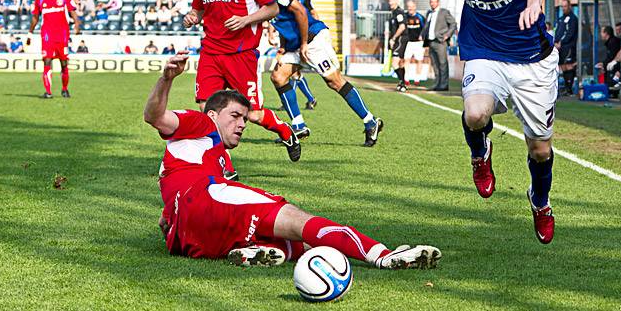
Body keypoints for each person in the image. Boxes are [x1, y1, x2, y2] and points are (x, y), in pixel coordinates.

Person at [344, 0, 558, 244]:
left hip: (531, 61)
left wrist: (534, 1)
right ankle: (480, 154)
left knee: (540, 150)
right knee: (475, 114)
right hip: (484, 51)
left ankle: (540, 202)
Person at [144, 52, 441, 268]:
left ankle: (259, 250)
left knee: (294, 242)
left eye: (245, 119)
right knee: (297, 219)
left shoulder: (208, 158)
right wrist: (166, 79)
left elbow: (164, 218)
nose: (242, 124)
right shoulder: (200, 123)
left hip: (190, 240)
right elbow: (155, 116)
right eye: (235, 116)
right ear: (212, 115)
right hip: (205, 198)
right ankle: (383, 255)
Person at [182, 0, 301, 162]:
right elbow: (198, 9)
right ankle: (222, 164)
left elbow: (273, 8)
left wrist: (245, 20)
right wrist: (192, 17)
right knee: (209, 111)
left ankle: (287, 132)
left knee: (253, 114)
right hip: (211, 53)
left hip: (241, 55)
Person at [267, 0, 384, 147]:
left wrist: (304, 43)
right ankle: (299, 125)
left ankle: (370, 122)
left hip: (313, 39)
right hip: (297, 45)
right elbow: (284, 24)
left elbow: (300, 12)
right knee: (278, 77)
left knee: (334, 82)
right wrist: (283, 48)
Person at [27, 0, 80, 98]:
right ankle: (48, 91)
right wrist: (30, 33)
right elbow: (35, 17)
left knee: (64, 63)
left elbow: (73, 12)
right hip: (47, 35)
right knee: (47, 60)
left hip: (62, 34)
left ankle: (65, 89)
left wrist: (77, 24)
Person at [280, 0, 318, 109]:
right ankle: (310, 99)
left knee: (293, 72)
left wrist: (314, 30)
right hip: (289, 37)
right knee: (294, 72)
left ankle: (290, 103)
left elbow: (312, 12)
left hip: (302, 37)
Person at [423, 0, 457, 91]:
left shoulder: (444, 12)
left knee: (442, 63)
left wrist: (447, 35)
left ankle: (444, 84)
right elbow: (427, 27)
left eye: (434, 2)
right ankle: (437, 83)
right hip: (431, 42)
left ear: (438, 2)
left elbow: (453, 24)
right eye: (431, 2)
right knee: (435, 64)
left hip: (440, 41)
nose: (432, 4)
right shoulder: (429, 13)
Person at [554, 0, 578, 96]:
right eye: (562, 7)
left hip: (568, 46)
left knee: (568, 66)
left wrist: (561, 42)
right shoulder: (561, 18)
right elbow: (558, 31)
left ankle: (569, 89)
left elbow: (570, 33)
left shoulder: (573, 19)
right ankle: (566, 88)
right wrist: (555, 41)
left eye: (565, 6)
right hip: (559, 47)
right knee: (562, 66)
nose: (563, 8)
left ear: (569, 6)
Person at [387, 0, 408, 92]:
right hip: (398, 40)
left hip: (400, 40)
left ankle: (402, 82)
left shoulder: (399, 12)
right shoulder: (394, 13)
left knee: (394, 63)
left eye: (392, 0)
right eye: (389, 1)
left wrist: (394, 38)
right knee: (400, 63)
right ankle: (402, 83)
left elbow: (402, 27)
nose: (390, 3)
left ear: (396, 1)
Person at [403, 0, 427, 85]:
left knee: (419, 60)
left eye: (412, 6)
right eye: (409, 7)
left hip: (418, 43)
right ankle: (406, 78)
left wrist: (423, 37)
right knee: (406, 59)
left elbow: (425, 28)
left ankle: (417, 79)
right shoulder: (405, 16)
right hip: (408, 42)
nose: (410, 8)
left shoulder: (420, 17)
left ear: (415, 7)